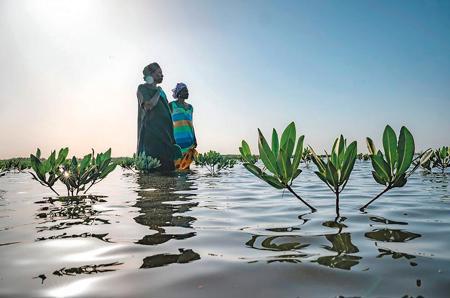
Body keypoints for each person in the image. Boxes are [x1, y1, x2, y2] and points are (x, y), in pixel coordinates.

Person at [136, 63, 181, 172]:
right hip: (151, 138)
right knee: (152, 173)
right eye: (159, 73)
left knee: (169, 176)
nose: (162, 75)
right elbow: (148, 106)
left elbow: (168, 114)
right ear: (151, 74)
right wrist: (158, 92)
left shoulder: (162, 93)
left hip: (166, 138)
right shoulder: (142, 88)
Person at [169, 83, 197, 170]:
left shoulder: (190, 107)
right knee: (177, 168)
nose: (187, 93)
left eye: (187, 91)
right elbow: (168, 122)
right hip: (176, 141)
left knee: (186, 168)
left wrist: (195, 138)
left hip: (189, 140)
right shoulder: (172, 105)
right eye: (185, 91)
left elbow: (191, 123)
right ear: (179, 93)